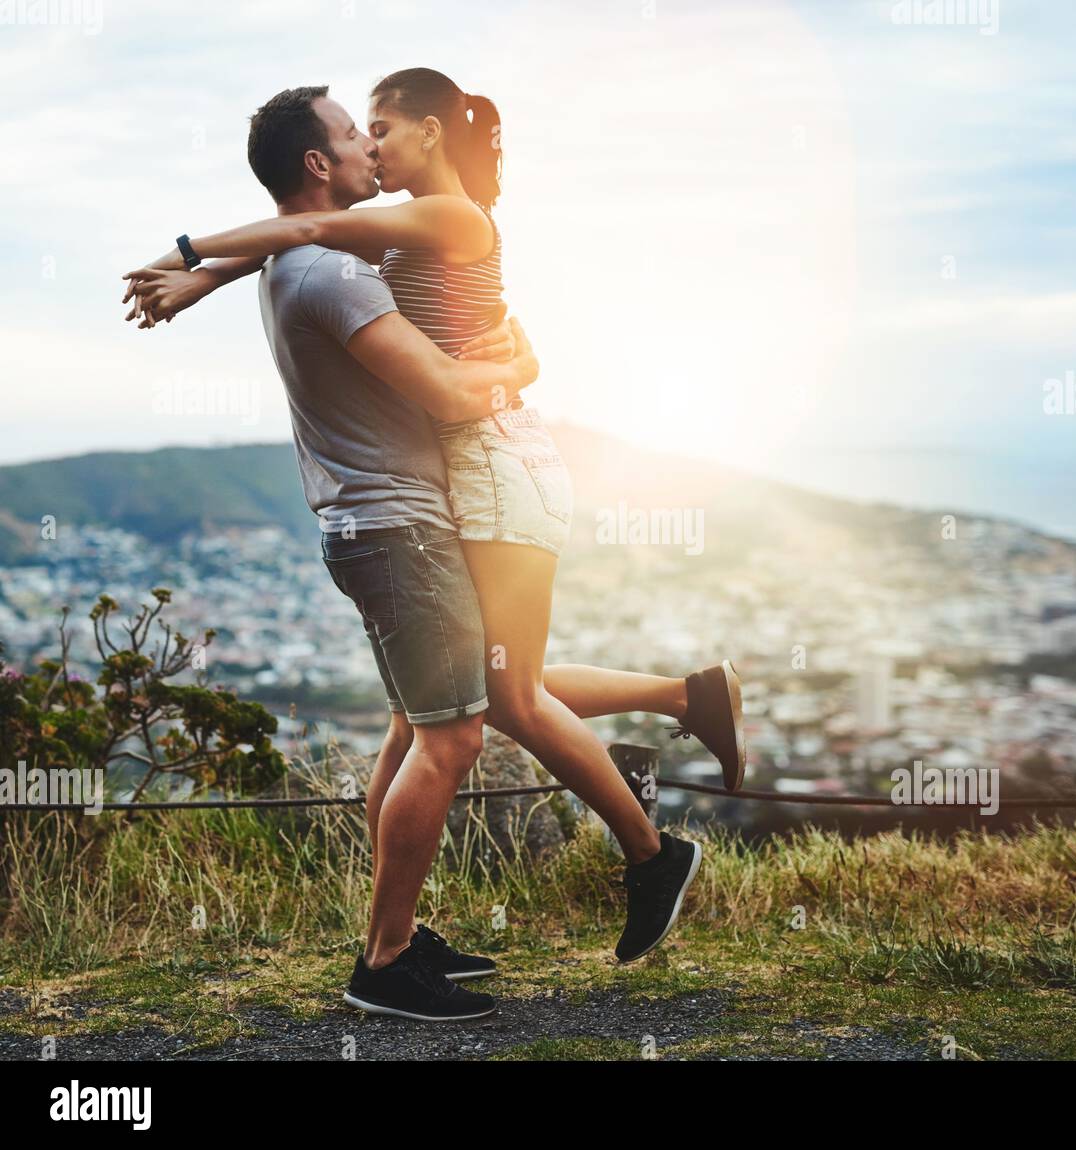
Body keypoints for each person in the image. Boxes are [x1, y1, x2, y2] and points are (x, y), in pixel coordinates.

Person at [122, 81, 744, 1023]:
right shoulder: (338, 267)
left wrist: (193, 273)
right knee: (466, 724)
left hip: (406, 516)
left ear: (427, 131)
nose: (370, 146)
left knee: (436, 720)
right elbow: (443, 389)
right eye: (353, 134)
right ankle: (418, 948)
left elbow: (293, 239)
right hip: (405, 522)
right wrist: (521, 371)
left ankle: (401, 939)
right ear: (319, 165)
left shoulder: (367, 242)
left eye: (380, 128)